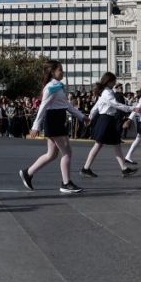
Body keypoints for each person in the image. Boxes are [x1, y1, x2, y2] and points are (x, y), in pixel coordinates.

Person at [20, 61, 86, 194]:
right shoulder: (51, 87)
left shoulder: (58, 86)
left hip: (57, 119)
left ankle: (28, 173)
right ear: (52, 72)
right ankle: (66, 183)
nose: (62, 72)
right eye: (60, 70)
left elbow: (66, 105)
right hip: (54, 120)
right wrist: (35, 126)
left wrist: (81, 116)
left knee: (52, 154)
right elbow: (43, 107)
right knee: (67, 152)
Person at [81, 72, 139, 178]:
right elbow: (115, 104)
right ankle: (86, 168)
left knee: (115, 144)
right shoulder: (107, 93)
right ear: (109, 81)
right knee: (99, 145)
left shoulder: (106, 92)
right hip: (106, 120)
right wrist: (131, 108)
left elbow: (96, 107)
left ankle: (124, 169)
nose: (115, 82)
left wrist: (90, 117)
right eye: (114, 81)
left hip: (107, 120)